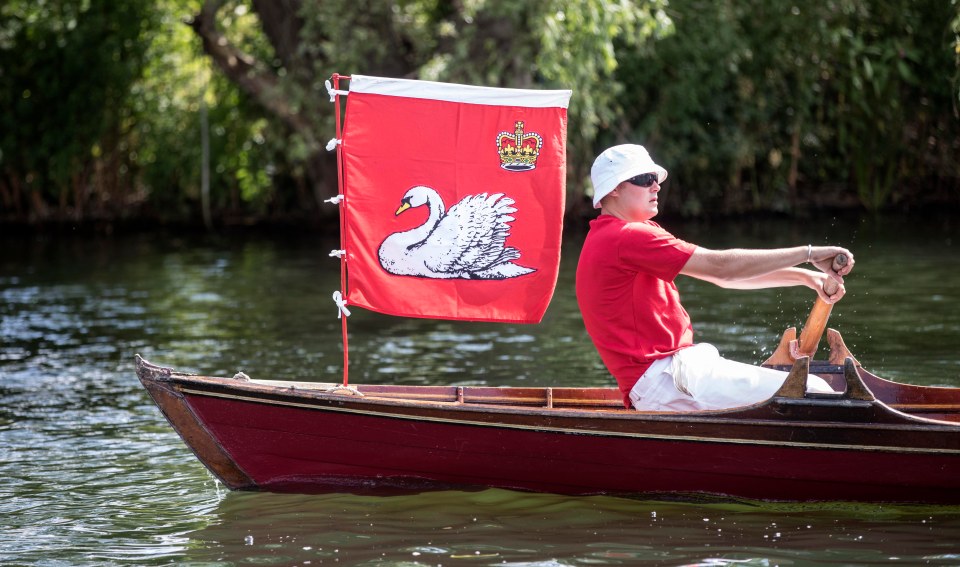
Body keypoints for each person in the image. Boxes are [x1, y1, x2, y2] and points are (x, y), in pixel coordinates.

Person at [576, 144, 855, 411]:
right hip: (665, 380)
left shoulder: (615, 235)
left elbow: (724, 278)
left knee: (812, 390)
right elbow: (721, 267)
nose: (656, 185)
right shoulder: (627, 237)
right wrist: (808, 253)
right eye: (644, 178)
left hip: (670, 376)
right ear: (613, 188)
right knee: (817, 390)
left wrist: (806, 278)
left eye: (656, 178)